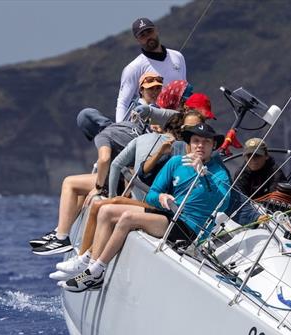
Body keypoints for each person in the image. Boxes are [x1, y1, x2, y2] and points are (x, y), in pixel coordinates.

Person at [60, 123, 229, 292]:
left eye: (206, 142)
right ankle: (90, 269)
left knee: (127, 218)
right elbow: (152, 195)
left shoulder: (219, 172)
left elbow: (224, 203)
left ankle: (97, 271)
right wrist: (161, 197)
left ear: (213, 145)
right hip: (169, 215)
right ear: (189, 143)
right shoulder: (176, 162)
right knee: (106, 211)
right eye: (196, 140)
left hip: (189, 228)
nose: (200, 145)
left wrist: (204, 176)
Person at [29, 73, 161, 255]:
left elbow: (105, 159)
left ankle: (61, 238)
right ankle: (60, 231)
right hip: (141, 178)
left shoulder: (103, 135)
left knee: (69, 183)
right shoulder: (124, 125)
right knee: (83, 190)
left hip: (125, 181)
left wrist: (99, 186)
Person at [76, 18, 186, 140]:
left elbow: (184, 90)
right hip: (151, 124)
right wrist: (121, 132)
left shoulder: (177, 57)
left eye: (149, 32)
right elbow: (123, 102)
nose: (148, 37)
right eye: (142, 35)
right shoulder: (134, 67)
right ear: (137, 39)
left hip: (176, 121)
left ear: (156, 30)